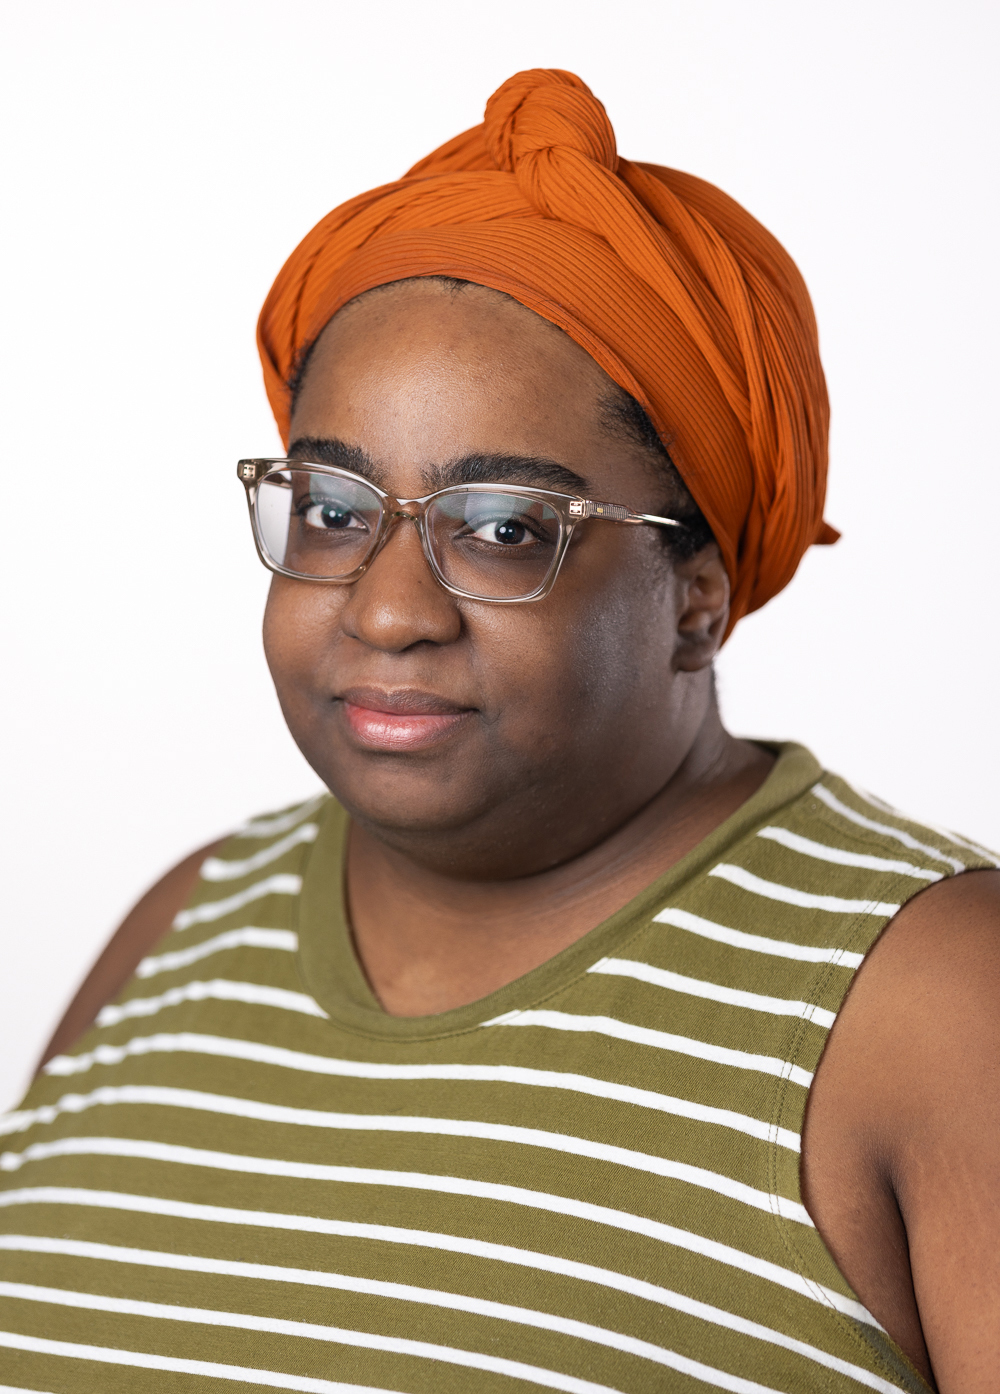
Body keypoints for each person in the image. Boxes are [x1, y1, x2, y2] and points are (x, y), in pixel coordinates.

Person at [1, 68, 997, 1394]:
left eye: (506, 527)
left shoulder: (929, 1001)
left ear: (696, 596)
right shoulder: (187, 921)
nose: (390, 608)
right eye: (335, 508)